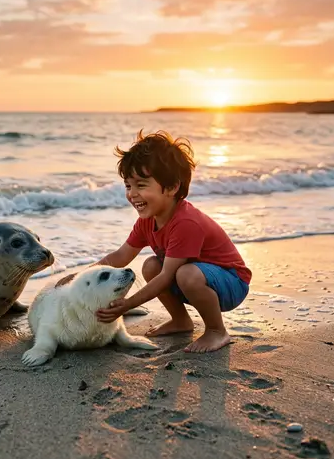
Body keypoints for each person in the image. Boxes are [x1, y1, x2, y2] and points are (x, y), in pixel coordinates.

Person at [58, 130, 251, 353]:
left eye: (141, 185)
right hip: (196, 279)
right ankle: (181, 321)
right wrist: (78, 278)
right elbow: (119, 257)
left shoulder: (186, 222)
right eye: (128, 186)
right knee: (151, 265)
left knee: (183, 273)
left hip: (231, 283)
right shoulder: (148, 220)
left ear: (172, 187)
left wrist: (128, 304)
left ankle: (217, 331)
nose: (132, 194)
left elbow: (168, 276)